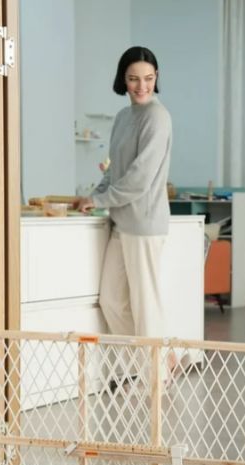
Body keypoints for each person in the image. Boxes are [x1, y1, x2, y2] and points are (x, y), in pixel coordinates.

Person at [76, 46, 172, 347]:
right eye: (133, 79)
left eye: (148, 78)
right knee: (112, 300)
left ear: (156, 77)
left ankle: (157, 369)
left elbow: (139, 178)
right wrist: (93, 196)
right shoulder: (123, 117)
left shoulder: (157, 117)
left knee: (146, 306)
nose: (142, 86)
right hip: (122, 223)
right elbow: (115, 169)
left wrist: (100, 201)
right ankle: (157, 360)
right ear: (123, 80)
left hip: (144, 225)